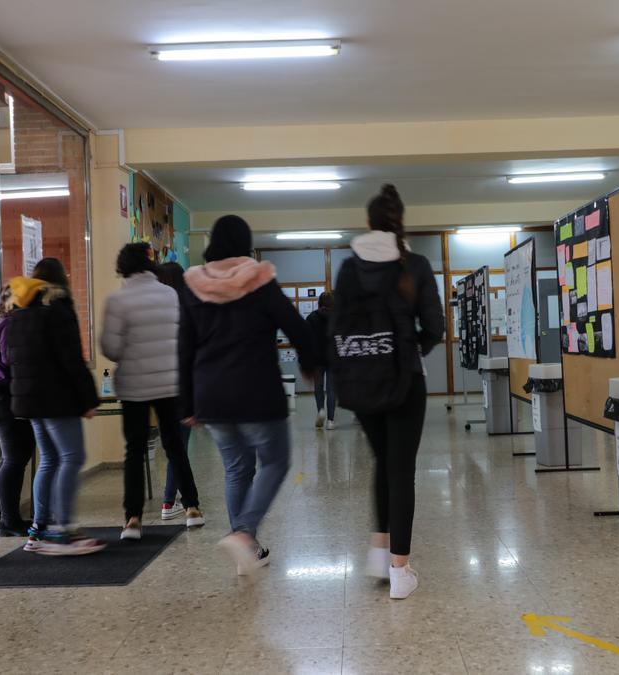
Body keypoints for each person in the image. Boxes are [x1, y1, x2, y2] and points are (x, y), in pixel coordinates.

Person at [180, 215, 320, 574]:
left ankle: (247, 551)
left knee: (236, 470)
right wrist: (310, 363)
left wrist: (187, 402)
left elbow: (184, 347)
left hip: (211, 395)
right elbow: (297, 327)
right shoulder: (260, 281)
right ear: (246, 243)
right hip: (256, 390)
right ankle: (244, 535)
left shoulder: (193, 287)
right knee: (275, 462)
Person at [333, 185, 444, 599]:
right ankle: (400, 571)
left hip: (361, 382)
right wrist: (411, 347)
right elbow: (435, 327)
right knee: (402, 471)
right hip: (404, 382)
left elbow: (335, 324)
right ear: (401, 222)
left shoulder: (347, 268)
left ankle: (379, 555)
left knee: (383, 462)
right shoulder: (413, 265)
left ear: (367, 223)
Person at [101, 244, 204, 539]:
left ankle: (133, 519)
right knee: (174, 446)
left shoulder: (117, 300)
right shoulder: (170, 294)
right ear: (151, 266)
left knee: (134, 451)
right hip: (169, 383)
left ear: (122, 267)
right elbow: (182, 336)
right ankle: (192, 508)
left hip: (134, 385)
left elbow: (110, 347)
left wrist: (129, 350)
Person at [5, 258, 105, 555]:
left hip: (28, 398)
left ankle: (38, 530)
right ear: (62, 280)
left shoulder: (18, 309)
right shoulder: (57, 307)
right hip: (56, 397)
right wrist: (88, 399)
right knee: (72, 458)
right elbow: (71, 357)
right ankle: (63, 531)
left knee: (49, 459)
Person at [0, 285, 34, 537]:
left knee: (9, 458)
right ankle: (9, 521)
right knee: (15, 458)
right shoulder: (11, 325)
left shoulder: (5, 323)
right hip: (4, 394)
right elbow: (12, 359)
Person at [155, 262, 196, 520]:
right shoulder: (188, 310)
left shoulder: (153, 311)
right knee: (179, 446)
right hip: (183, 386)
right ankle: (171, 502)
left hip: (158, 386)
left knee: (172, 446)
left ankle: (170, 501)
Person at [305, 292, 337, 430]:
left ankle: (320, 411)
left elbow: (306, 338)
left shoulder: (311, 317)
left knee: (318, 389)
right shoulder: (336, 317)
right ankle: (330, 421)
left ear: (319, 302)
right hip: (332, 359)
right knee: (331, 390)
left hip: (317, 360)